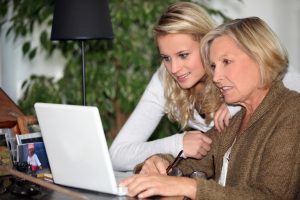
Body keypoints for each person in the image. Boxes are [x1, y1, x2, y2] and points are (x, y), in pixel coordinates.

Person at [120, 17, 300, 199]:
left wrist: (191, 188)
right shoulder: (236, 118)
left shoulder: (292, 112)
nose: (216, 77)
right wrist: (159, 162)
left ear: (261, 57)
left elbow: (272, 196)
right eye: (213, 66)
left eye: (226, 62)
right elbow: (193, 162)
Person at [109, 2, 240, 171]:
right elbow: (117, 156)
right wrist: (176, 143)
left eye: (183, 55)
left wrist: (235, 104)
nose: (174, 69)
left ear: (207, 44)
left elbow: (277, 79)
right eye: (166, 57)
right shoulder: (164, 80)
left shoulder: (236, 66)